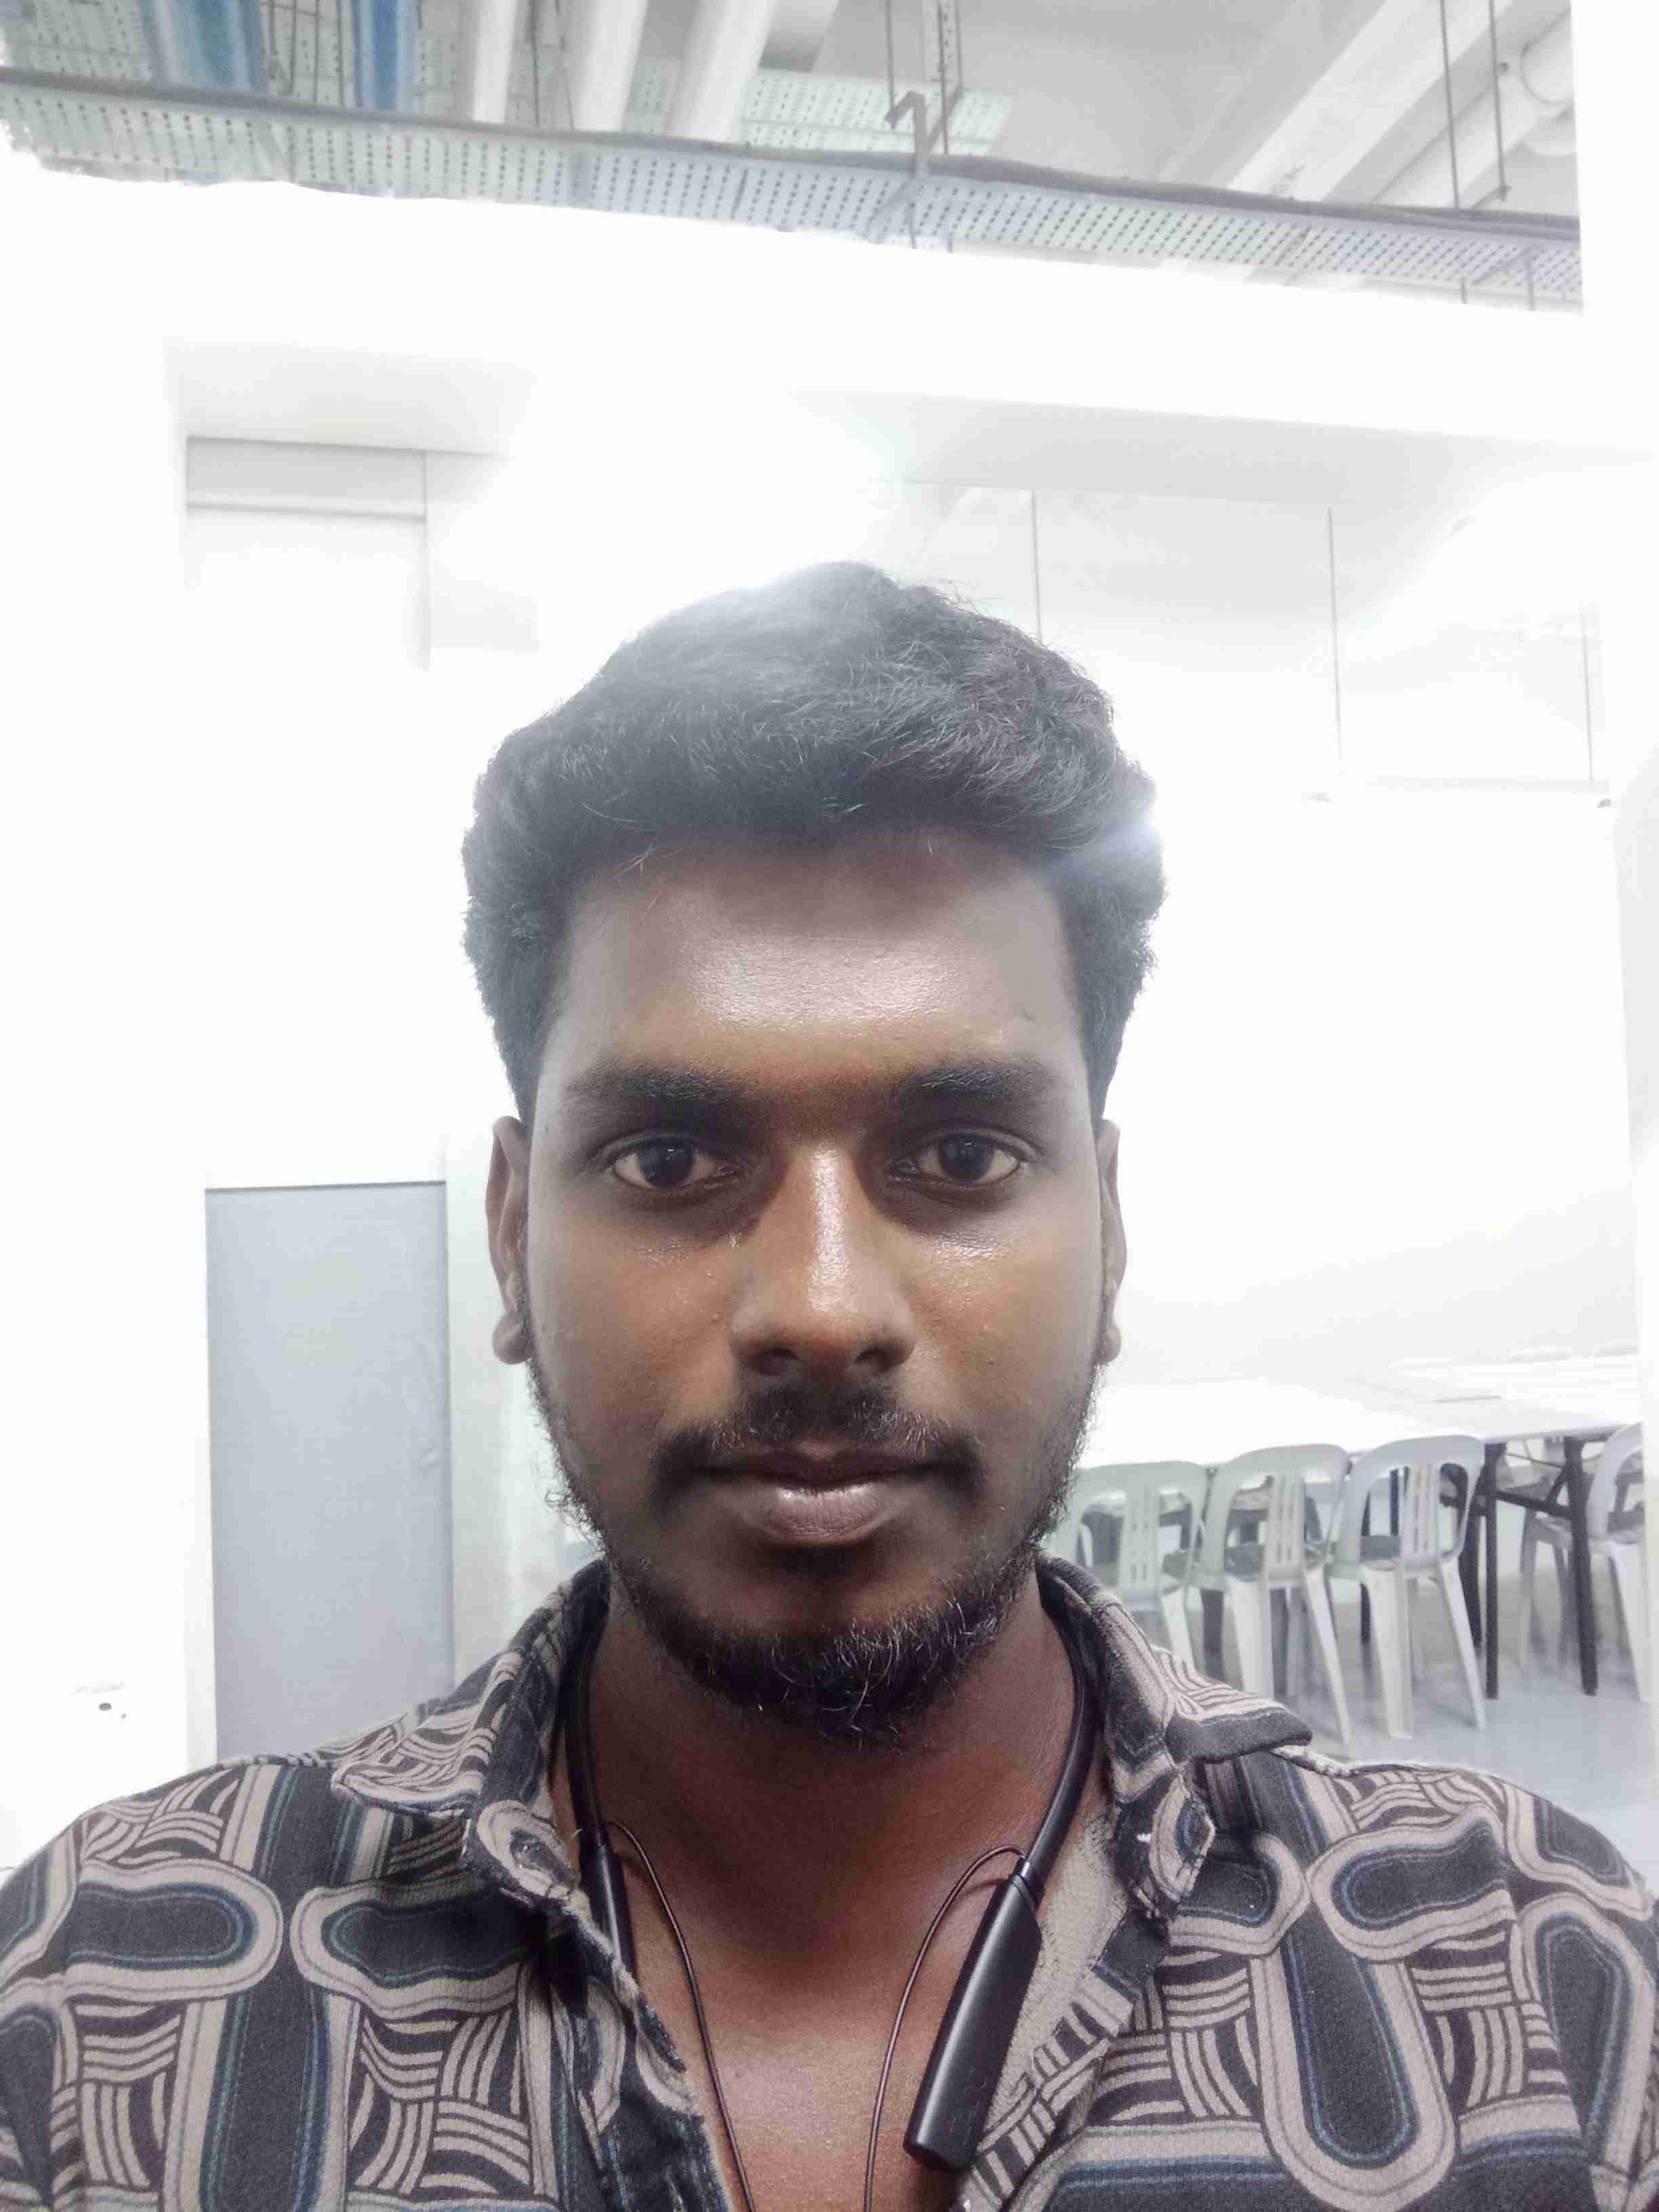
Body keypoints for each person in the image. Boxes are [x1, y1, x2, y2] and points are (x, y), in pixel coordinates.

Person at [1, 562, 1654, 2212]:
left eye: (960, 1155)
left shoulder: (1542, 1997)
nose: (820, 1307)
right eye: (668, 1159)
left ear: (1109, 1232)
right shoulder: (102, 2012)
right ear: (511, 1238)